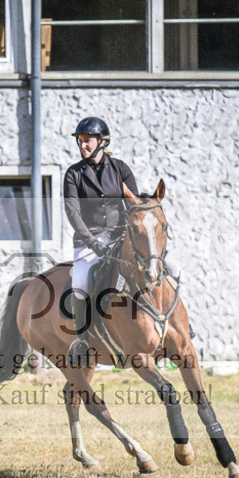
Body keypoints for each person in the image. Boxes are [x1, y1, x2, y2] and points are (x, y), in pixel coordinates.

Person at [62, 116, 181, 367]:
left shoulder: (120, 169)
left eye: (87, 141)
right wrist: (92, 242)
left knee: (172, 270)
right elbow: (73, 213)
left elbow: (134, 205)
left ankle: (178, 327)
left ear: (102, 142)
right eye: (80, 141)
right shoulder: (73, 174)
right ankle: (82, 341)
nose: (82, 145)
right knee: (81, 283)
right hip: (89, 240)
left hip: (120, 237)